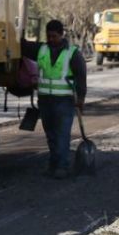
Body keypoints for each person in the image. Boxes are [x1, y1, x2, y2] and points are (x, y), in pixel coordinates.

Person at [21, 19, 87, 179]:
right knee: (51, 135)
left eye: (54, 36)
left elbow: (81, 77)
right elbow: (22, 45)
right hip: (45, 101)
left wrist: (81, 99)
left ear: (61, 34)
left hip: (64, 101)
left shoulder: (73, 53)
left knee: (62, 135)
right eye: (49, 36)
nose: (51, 39)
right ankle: (53, 165)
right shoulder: (41, 49)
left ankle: (62, 167)